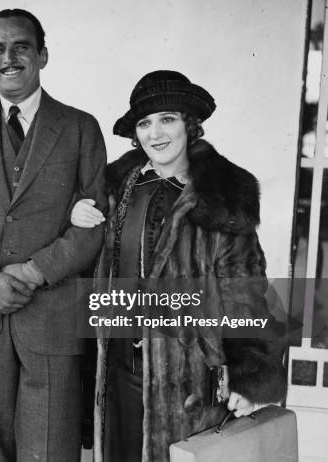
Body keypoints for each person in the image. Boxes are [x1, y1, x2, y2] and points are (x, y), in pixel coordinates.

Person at [71, 70, 287, 462]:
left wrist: (249, 377)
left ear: (190, 125)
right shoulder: (116, 188)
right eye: (144, 123)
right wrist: (78, 210)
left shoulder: (219, 197)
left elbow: (247, 293)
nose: (156, 133)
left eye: (167, 119)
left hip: (188, 383)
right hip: (116, 374)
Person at [0, 9, 107, 462]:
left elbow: (95, 222)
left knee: (52, 447)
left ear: (43, 55)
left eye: (20, 46)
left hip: (54, 317)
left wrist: (36, 269)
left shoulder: (80, 127)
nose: (9, 58)